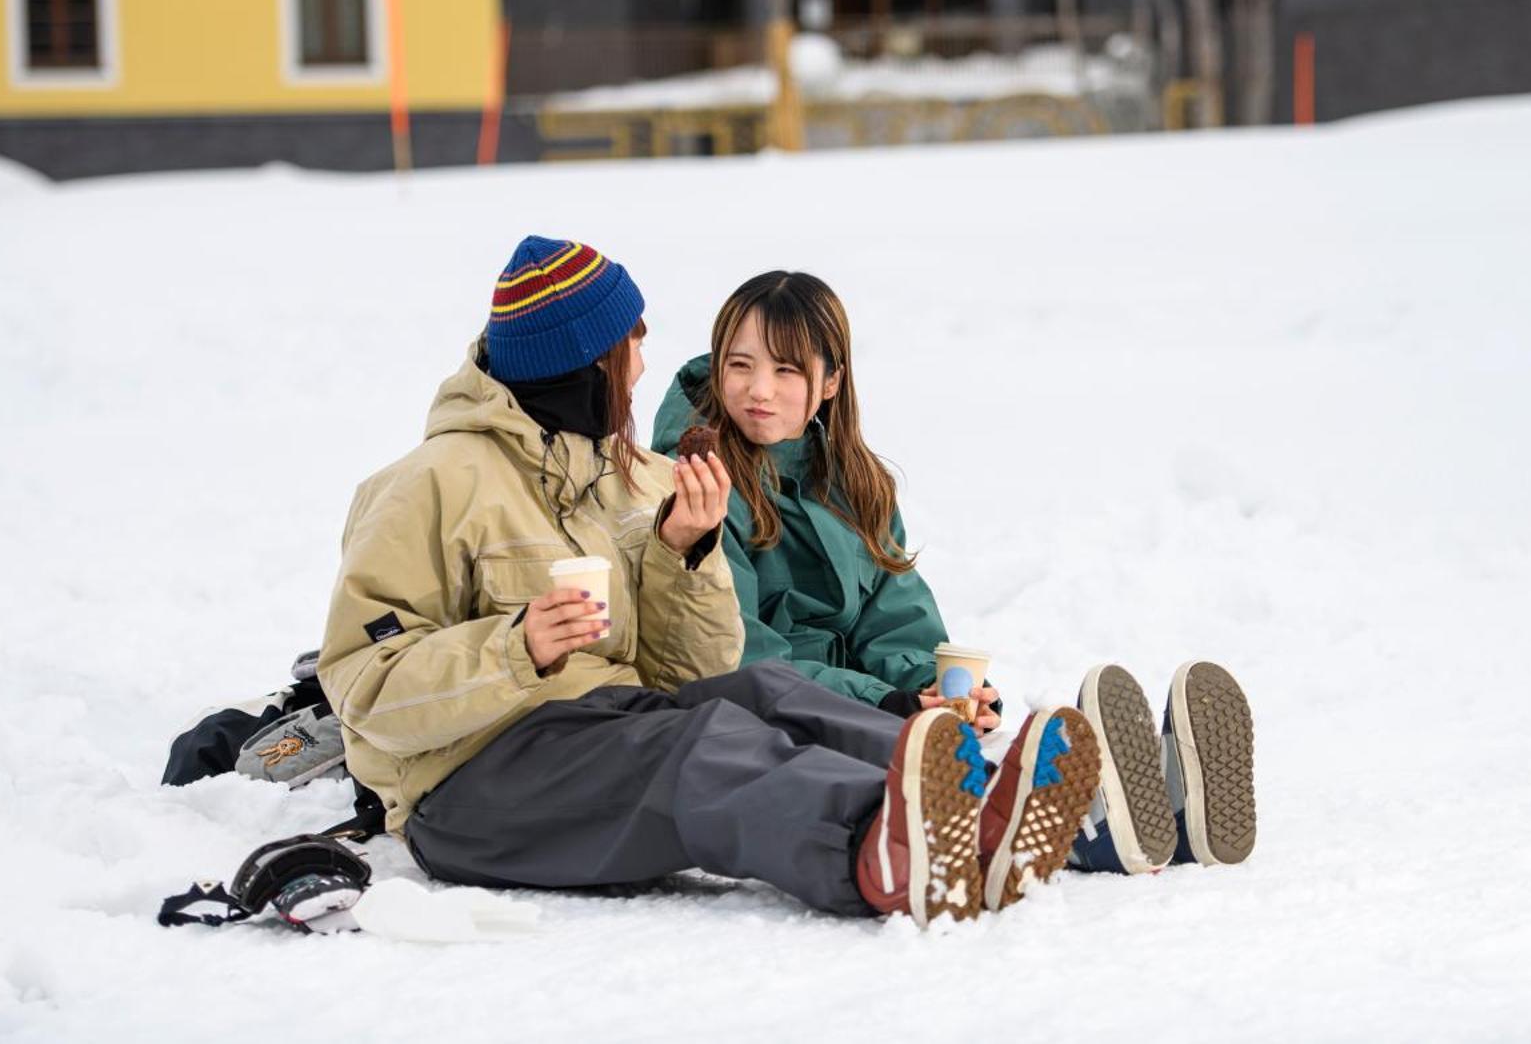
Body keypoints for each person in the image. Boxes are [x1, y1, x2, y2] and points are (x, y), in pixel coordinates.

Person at [316, 237, 1105, 928]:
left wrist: (680, 555)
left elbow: (692, 673)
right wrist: (514, 646)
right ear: (587, 359)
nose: (647, 360)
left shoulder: (628, 477)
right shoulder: (427, 484)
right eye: (634, 339)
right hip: (472, 788)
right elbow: (361, 688)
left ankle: (977, 801)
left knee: (764, 696)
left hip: (604, 729)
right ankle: (881, 842)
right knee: (696, 744)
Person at [651, 270, 1258, 879]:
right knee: (929, 772)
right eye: (740, 365)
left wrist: (936, 685)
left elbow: (896, 614)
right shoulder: (701, 483)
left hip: (855, 703)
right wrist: (888, 700)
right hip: (769, 708)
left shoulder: (855, 481)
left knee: (960, 737)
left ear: (831, 380)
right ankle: (1083, 825)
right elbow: (741, 653)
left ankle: (1163, 806)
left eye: (786, 371)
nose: (760, 390)